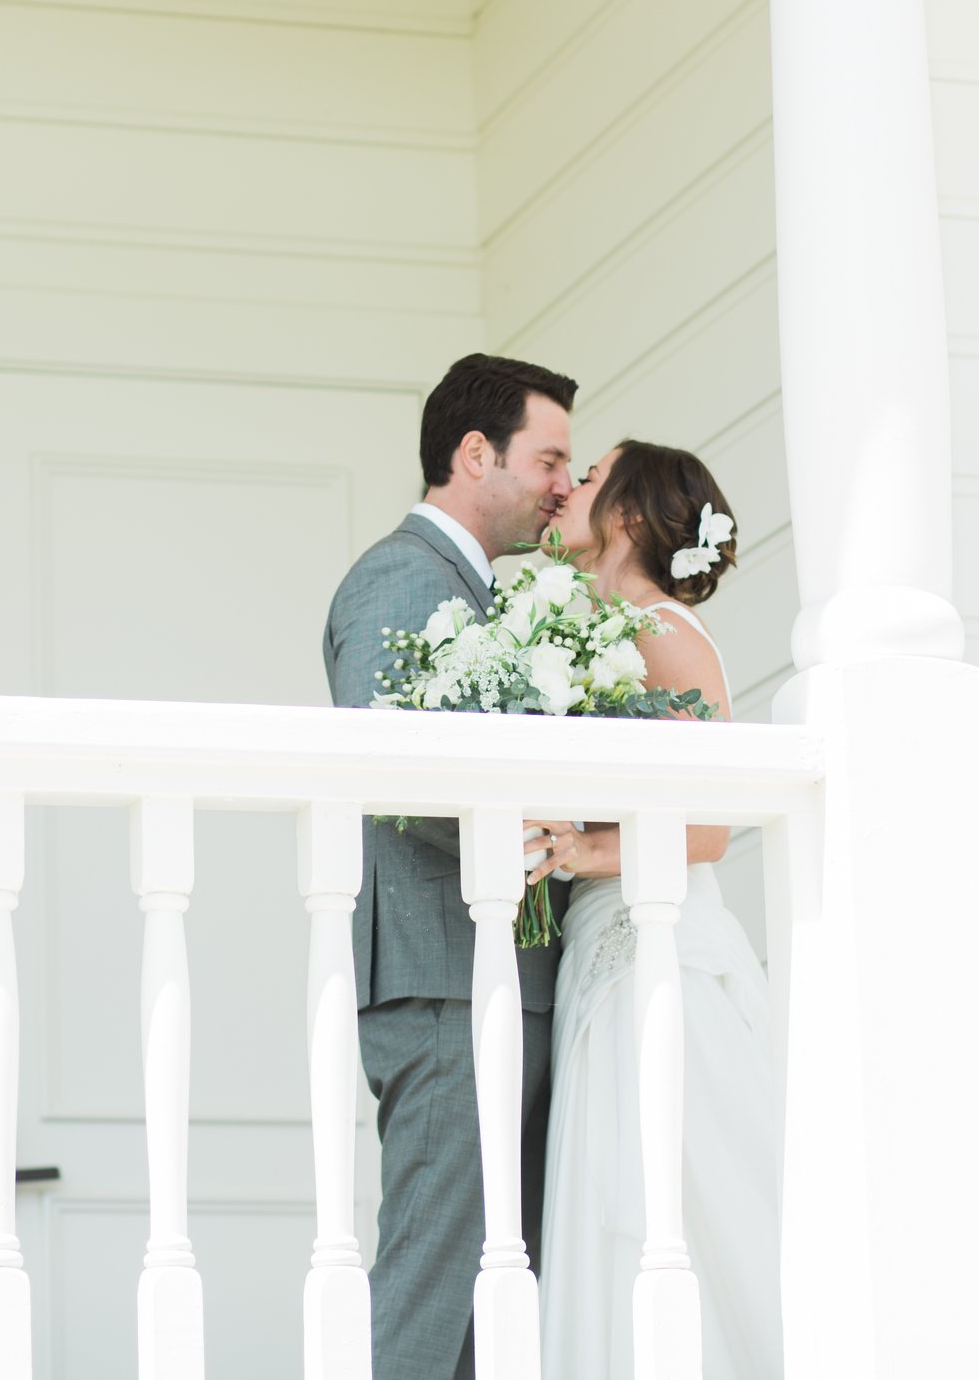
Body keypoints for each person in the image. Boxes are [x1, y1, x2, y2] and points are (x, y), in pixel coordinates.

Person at [321, 352, 580, 1380]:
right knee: (428, 1292)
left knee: (488, 1301)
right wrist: (544, 830)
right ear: (475, 454)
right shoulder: (398, 577)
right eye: (548, 455)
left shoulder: (477, 593)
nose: (565, 481)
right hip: (440, 979)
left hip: (493, 978)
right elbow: (400, 764)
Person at [523, 440, 782, 1380]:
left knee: (682, 1194)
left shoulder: (663, 630)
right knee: (610, 1196)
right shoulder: (591, 629)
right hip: (604, 944)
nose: (569, 487)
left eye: (589, 477)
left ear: (628, 514)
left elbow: (707, 826)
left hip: (657, 951)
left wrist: (585, 850)